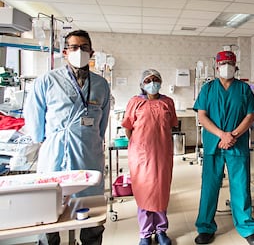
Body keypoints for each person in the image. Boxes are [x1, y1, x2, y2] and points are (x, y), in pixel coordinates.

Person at [24, 29, 111, 245]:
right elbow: (35, 123)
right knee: (47, 219)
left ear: (91, 52)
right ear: (65, 51)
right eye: (74, 47)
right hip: (55, 156)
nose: (79, 51)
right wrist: (54, 139)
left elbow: (102, 123)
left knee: (91, 217)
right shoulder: (47, 81)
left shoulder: (101, 85)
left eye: (84, 47)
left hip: (88, 156)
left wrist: (88, 138)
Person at [193, 50, 254, 245]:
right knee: (209, 186)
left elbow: (250, 116)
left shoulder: (244, 89)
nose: (226, 68)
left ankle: (247, 227)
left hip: (237, 144)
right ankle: (205, 227)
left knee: (241, 186)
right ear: (216, 67)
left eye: (230, 64)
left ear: (236, 67)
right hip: (213, 144)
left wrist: (232, 135)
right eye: (223, 64)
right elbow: (202, 116)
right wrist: (221, 135)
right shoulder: (207, 89)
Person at [122, 69, 178, 245]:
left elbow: (171, 125)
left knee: (160, 192)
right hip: (141, 156)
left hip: (162, 154)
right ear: (142, 84)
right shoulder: (135, 102)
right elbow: (128, 127)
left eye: (155, 79)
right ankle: (145, 233)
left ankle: (161, 231)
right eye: (148, 80)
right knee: (144, 192)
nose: (152, 83)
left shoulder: (168, 102)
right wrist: (139, 146)